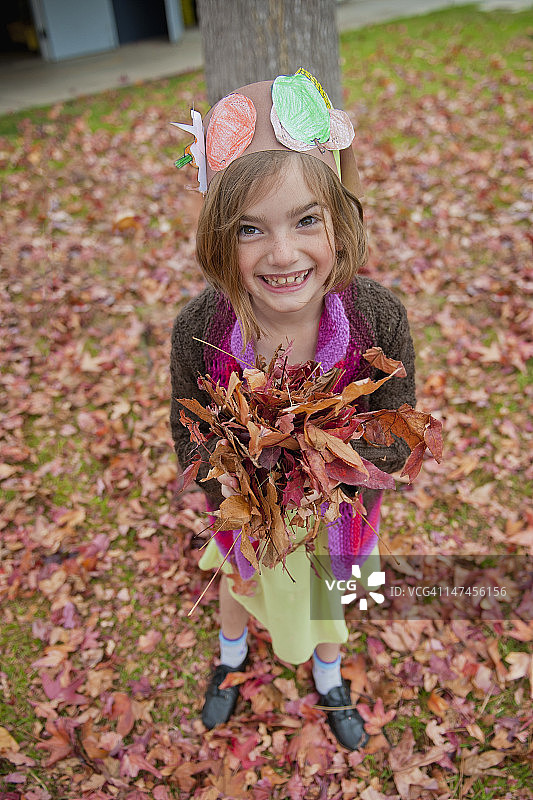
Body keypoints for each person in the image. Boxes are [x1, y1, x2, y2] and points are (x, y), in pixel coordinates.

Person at [169, 70, 416, 751]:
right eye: (250, 229)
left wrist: (332, 455)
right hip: (249, 515)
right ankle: (229, 653)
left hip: (338, 514)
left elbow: (397, 427)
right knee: (239, 582)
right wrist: (235, 468)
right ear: (221, 240)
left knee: (327, 593)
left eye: (306, 219)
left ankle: (329, 672)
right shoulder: (200, 327)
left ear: (339, 221)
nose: (282, 254)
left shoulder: (376, 318)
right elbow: (185, 434)